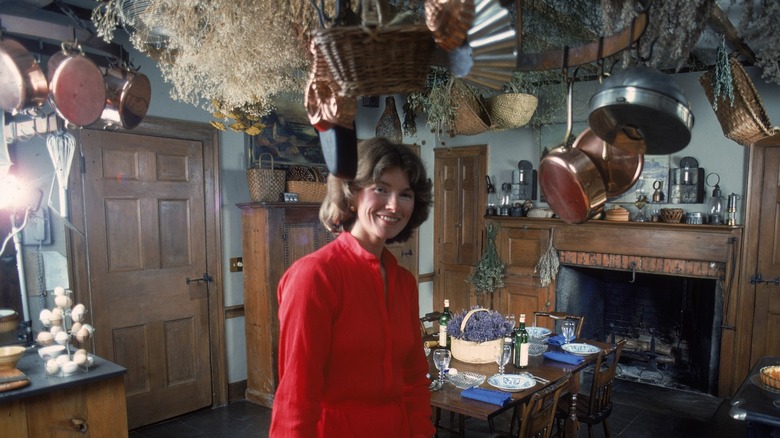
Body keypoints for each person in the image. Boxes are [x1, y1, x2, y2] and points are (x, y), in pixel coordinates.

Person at [270, 137, 435, 437]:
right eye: (381, 189)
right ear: (353, 193)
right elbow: (296, 397)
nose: (394, 205)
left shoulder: (404, 283)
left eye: (406, 194)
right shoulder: (314, 277)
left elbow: (413, 379)